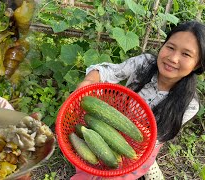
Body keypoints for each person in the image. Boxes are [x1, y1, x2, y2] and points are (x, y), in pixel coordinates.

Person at [72, 20, 205, 180]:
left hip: (146, 143)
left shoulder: (190, 104)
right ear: (163, 46)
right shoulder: (144, 63)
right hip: (114, 122)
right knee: (94, 163)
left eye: (186, 54)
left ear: (197, 64)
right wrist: (88, 82)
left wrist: (132, 147)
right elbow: (110, 72)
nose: (173, 58)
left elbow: (160, 136)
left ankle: (149, 163)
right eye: (170, 47)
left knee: (122, 170)